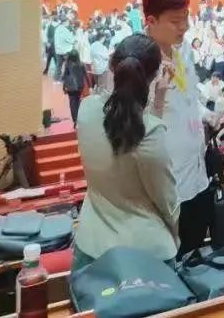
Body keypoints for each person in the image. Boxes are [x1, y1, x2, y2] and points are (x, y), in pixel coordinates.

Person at [73, 34, 178, 272]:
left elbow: (133, 127)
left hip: (91, 244)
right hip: (147, 254)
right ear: (153, 75)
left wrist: (158, 101)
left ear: (112, 64)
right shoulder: (151, 131)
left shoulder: (86, 109)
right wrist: (174, 235)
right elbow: (167, 201)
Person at [143, 0, 212, 257]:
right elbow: (137, 127)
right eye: (175, 21)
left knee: (195, 253)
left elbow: (189, 99)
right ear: (151, 21)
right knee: (171, 257)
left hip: (197, 175)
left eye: (186, 18)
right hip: (167, 186)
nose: (184, 27)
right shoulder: (139, 64)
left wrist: (208, 114)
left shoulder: (181, 53)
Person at [62, 51, 88, 125]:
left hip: (70, 87)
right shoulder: (82, 64)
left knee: (72, 103)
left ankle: (75, 120)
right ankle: (79, 118)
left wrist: (64, 87)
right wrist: (90, 86)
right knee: (78, 101)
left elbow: (65, 76)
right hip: (80, 86)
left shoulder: (67, 64)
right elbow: (86, 75)